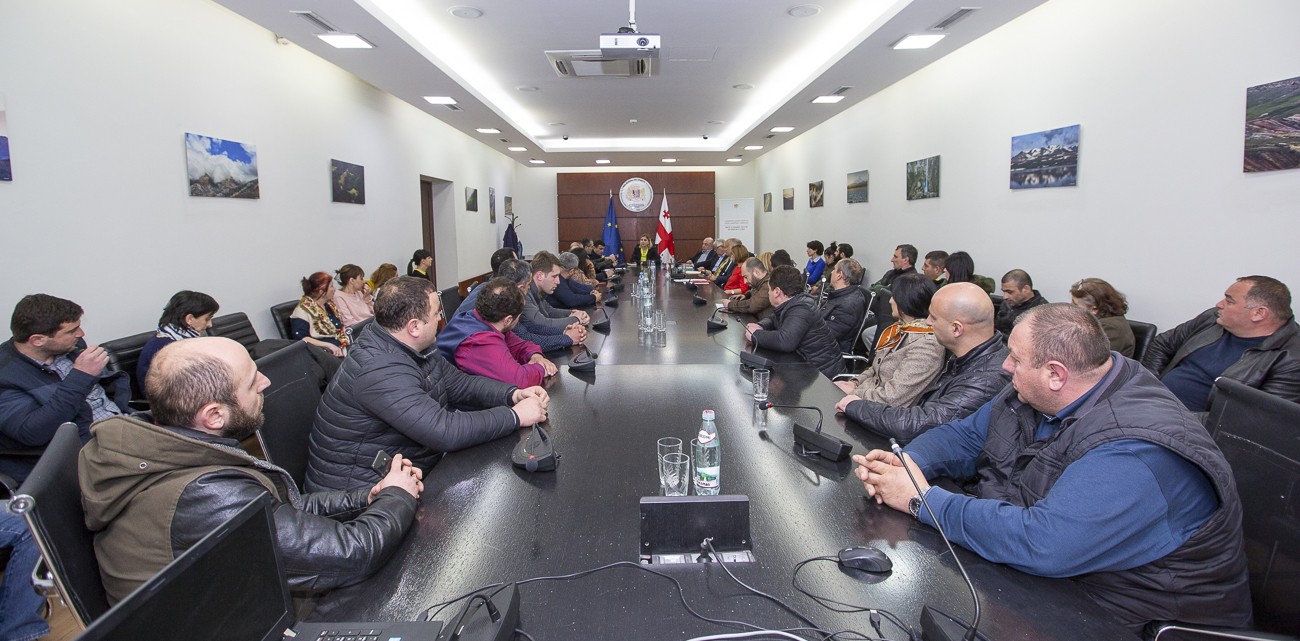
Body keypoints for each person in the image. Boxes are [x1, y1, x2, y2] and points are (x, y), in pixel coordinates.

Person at [853, 303, 1252, 636]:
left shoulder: (1138, 447)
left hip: (1125, 615)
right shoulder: (1037, 391)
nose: (1005, 366)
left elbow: (1044, 543)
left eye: (1015, 359)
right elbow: (964, 436)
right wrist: (907, 464)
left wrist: (921, 501)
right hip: (1047, 580)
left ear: (1056, 374)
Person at [78, 336, 421, 604]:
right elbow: (353, 554)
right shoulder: (206, 494)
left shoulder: (172, 445)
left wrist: (369, 497)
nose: (266, 382)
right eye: (251, 381)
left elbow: (281, 510)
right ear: (214, 416)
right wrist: (397, 495)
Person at [306, 276, 551, 492]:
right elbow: (443, 430)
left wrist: (513, 394)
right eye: (436, 314)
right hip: (362, 493)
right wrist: (515, 416)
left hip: (412, 469)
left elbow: (459, 385)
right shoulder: (378, 369)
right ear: (414, 326)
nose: (441, 318)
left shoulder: (415, 345)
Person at [837, 282, 1010, 444]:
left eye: (933, 318)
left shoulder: (985, 379)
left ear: (956, 329)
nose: (927, 322)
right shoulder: (968, 356)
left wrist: (855, 406)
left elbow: (923, 423)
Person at [0, 294, 128, 483]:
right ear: (37, 340)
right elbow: (33, 432)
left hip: (121, 429)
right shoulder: (6, 375)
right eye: (72, 331)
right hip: (83, 454)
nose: (81, 334)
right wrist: (81, 376)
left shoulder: (70, 347)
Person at [1143, 276, 1300, 410]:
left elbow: (1262, 417)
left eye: (1229, 301)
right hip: (1150, 403)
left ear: (1259, 313)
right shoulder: (1213, 318)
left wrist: (1177, 418)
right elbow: (1162, 344)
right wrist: (1147, 386)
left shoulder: (1291, 357)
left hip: (1193, 428)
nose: (1219, 304)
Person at [833, 273, 945, 407]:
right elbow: (877, 368)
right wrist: (855, 382)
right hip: (866, 398)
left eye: (894, 297)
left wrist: (854, 393)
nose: (890, 301)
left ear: (906, 301)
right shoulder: (901, 329)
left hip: (875, 409)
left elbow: (892, 397)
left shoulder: (927, 347)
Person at [438, 277, 557, 388]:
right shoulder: (478, 340)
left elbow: (520, 345)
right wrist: (541, 368)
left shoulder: (485, 319)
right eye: (519, 316)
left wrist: (535, 356)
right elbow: (518, 380)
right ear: (507, 320)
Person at [457, 257, 585, 353]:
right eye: (528, 285)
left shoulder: (495, 291)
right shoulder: (500, 301)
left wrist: (563, 332)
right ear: (519, 287)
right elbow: (526, 337)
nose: (529, 289)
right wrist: (566, 338)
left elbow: (529, 327)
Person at [745, 265, 845, 378]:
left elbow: (785, 341)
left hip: (824, 375)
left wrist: (755, 334)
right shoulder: (794, 302)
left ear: (777, 291)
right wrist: (760, 326)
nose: (768, 293)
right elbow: (773, 318)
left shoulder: (802, 309)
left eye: (769, 289)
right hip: (807, 368)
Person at [137, 290, 220, 386]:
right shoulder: (169, 350)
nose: (209, 324)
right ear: (189, 319)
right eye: (207, 319)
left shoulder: (172, 340)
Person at [1070, 278, 1134, 357]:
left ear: (1094, 309)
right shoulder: (1094, 320)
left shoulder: (1111, 328)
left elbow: (1090, 358)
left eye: (1075, 304)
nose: (1071, 306)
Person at [290, 272, 349, 357]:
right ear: (322, 292)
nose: (334, 289)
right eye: (331, 286)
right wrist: (328, 345)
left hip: (341, 344)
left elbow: (339, 327)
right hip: (324, 352)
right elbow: (302, 339)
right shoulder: (302, 310)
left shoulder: (329, 305)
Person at [525, 252, 589, 328]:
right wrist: (576, 319)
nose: (558, 282)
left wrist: (573, 313)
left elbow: (549, 311)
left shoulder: (536, 290)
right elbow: (542, 324)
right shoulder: (524, 294)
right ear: (539, 276)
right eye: (554, 276)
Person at [820, 258, 868, 353]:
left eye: (834, 269)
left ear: (839, 275)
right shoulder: (840, 295)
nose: (831, 272)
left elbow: (825, 336)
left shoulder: (849, 305)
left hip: (828, 352)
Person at [995, 269, 1048, 338]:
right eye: (1004, 292)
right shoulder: (1006, 304)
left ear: (1026, 289)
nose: (1005, 297)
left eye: (1010, 292)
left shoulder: (1042, 312)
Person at [334, 264, 375, 328]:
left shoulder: (358, 292)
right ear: (352, 280)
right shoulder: (338, 296)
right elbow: (348, 322)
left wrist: (367, 298)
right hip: (360, 329)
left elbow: (376, 313)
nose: (364, 282)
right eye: (361, 279)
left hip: (371, 325)